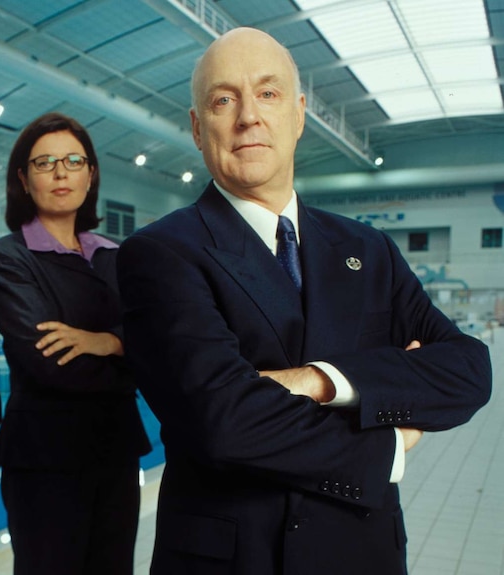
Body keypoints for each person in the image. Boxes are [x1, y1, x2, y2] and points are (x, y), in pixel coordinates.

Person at [116, 27, 492, 575]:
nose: (248, 116)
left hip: (365, 553)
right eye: (224, 100)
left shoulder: (368, 248)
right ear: (199, 129)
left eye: (267, 94)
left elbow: (468, 370)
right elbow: (226, 423)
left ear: (299, 115)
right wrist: (387, 443)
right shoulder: (160, 253)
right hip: (237, 560)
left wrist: (320, 379)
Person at [0, 112, 151, 575]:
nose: (61, 173)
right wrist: (131, 351)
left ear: (90, 173)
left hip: (115, 451)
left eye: (74, 161)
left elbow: (160, 346)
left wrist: (108, 343)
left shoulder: (117, 257)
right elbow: (52, 365)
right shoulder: (6, 259)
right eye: (44, 163)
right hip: (45, 461)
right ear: (23, 178)